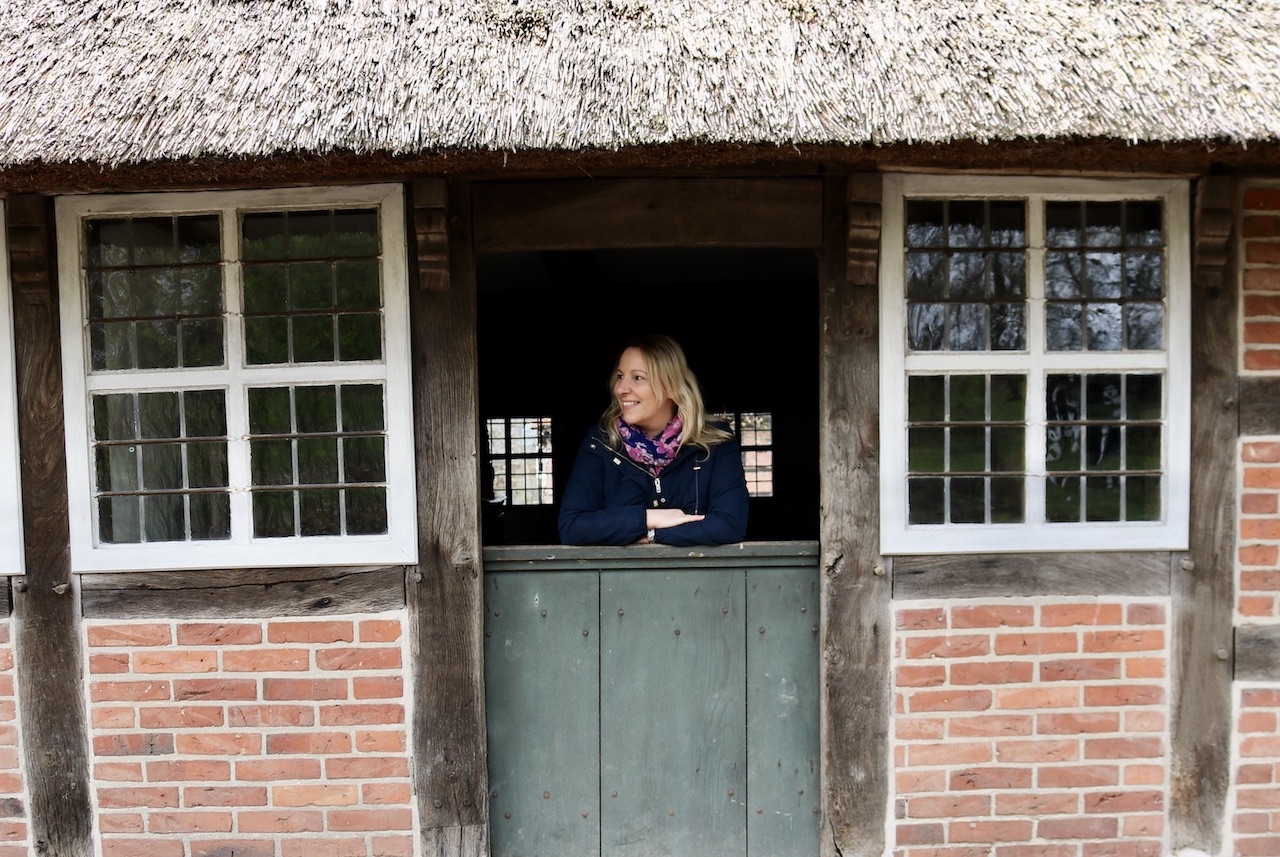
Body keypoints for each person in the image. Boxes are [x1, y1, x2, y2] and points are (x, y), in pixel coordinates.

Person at [558, 333, 748, 547]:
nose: (620, 389)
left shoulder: (715, 440)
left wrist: (651, 536)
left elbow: (730, 524)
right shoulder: (601, 442)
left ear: (671, 387)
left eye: (637, 378)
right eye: (620, 376)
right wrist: (649, 518)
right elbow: (572, 527)